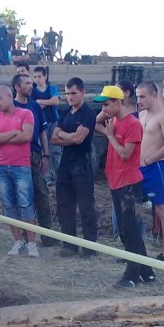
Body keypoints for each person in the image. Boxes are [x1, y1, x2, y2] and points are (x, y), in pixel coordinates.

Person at [93, 85, 155, 287]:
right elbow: (95, 122)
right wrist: (106, 122)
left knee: (129, 229)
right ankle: (147, 271)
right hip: (116, 181)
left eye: (107, 104)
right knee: (126, 229)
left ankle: (132, 274)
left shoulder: (132, 124)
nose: (104, 109)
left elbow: (126, 154)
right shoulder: (114, 120)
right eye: (103, 105)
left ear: (118, 102)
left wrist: (110, 135)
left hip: (129, 183)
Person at [0, 85, 39, 257]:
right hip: (0, 167)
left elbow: (27, 136)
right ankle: (18, 241)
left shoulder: (26, 113)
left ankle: (31, 243)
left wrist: (2, 137)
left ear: (10, 96)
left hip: (21, 166)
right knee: (8, 205)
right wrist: (14, 133)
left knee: (26, 203)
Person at [51, 77, 98, 256]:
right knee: (64, 204)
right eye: (67, 93)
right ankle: (69, 245)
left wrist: (64, 135)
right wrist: (70, 136)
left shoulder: (88, 113)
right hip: (65, 163)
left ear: (82, 92)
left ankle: (90, 247)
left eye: (73, 93)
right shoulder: (65, 112)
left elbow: (80, 140)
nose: (70, 97)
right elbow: (54, 139)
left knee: (86, 205)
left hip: (82, 162)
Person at [135, 81, 164, 261]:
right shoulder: (142, 114)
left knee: (162, 210)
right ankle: (135, 249)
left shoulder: (163, 116)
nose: (139, 100)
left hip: (155, 167)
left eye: (142, 96)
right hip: (139, 168)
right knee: (134, 208)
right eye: (137, 96)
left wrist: (151, 159)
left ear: (154, 95)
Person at [12, 72, 54, 243]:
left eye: (32, 83)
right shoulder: (11, 107)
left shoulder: (35, 106)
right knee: (22, 197)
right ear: (17, 87)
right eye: (27, 83)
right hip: (17, 158)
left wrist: (46, 155)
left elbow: (43, 132)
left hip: (35, 156)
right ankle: (25, 237)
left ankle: (48, 236)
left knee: (42, 195)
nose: (32, 86)